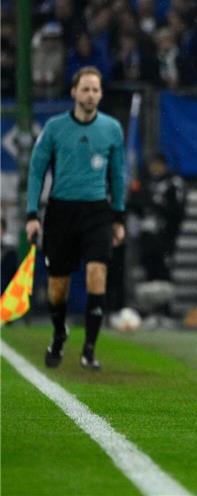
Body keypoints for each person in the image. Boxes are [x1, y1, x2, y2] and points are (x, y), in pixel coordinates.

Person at [25, 66, 126, 370]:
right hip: (61, 211)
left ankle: (89, 350)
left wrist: (118, 217)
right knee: (58, 286)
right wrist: (32, 214)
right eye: (85, 89)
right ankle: (59, 333)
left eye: (95, 89)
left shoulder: (111, 129)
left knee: (97, 272)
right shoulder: (55, 128)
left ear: (101, 94)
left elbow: (117, 175)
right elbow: (36, 171)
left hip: (97, 211)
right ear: (73, 92)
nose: (91, 95)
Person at [131, 154, 186, 281]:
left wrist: (157, 206)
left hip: (165, 231)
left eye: (156, 165)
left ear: (163, 165)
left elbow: (177, 209)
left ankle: (163, 288)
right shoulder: (147, 182)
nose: (154, 168)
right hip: (147, 231)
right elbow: (135, 203)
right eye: (152, 165)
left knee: (163, 263)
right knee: (148, 262)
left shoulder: (173, 182)